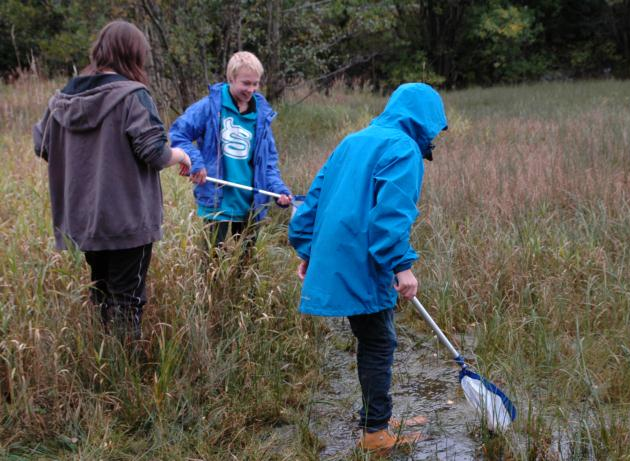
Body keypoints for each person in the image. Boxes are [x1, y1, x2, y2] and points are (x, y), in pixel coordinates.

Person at [288, 83, 447, 455]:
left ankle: (376, 417)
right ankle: (375, 432)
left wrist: (307, 248)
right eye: (435, 128)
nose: (435, 136)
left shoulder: (354, 140)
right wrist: (402, 265)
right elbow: (390, 217)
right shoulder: (403, 148)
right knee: (379, 342)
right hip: (364, 262)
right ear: (423, 119)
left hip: (344, 256)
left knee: (373, 338)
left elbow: (314, 198)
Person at [33, 20, 191, 342]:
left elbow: (42, 144)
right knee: (127, 301)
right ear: (134, 54)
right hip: (127, 221)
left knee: (103, 294)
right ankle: (125, 380)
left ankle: (105, 364)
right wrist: (182, 155)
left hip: (84, 220)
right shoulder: (133, 95)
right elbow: (155, 153)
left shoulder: (63, 97)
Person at [170, 51, 291, 258]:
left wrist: (278, 188)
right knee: (212, 261)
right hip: (217, 201)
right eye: (246, 83)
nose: (251, 89)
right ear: (231, 78)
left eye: (256, 84)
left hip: (250, 202)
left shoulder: (261, 115)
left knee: (247, 264)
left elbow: (268, 162)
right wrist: (196, 162)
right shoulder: (210, 107)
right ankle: (214, 292)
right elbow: (178, 134)